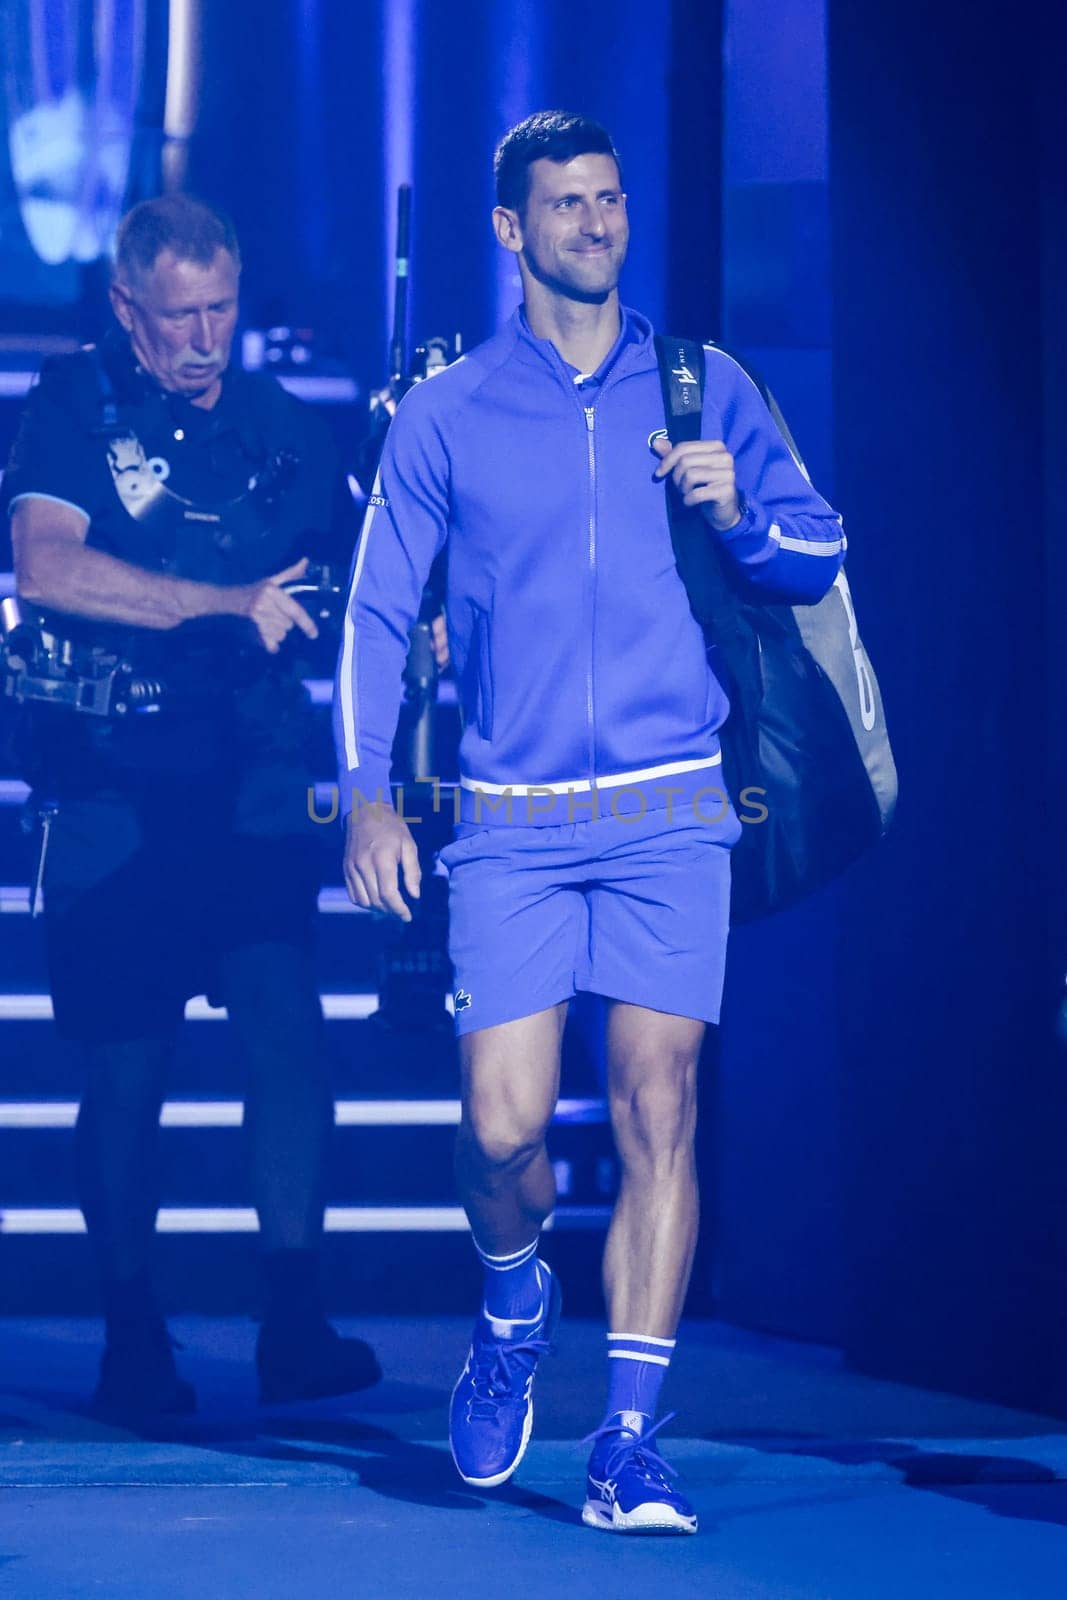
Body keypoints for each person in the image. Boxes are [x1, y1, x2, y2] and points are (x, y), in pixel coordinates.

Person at [335, 111, 845, 1533]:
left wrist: (742, 512)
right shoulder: (446, 411)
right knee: (499, 1132)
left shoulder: (699, 385)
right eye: (563, 205)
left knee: (656, 1105)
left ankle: (625, 1439)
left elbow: (817, 551)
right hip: (507, 819)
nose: (594, 223)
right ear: (510, 230)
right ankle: (511, 1309)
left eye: (609, 199)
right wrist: (369, 792)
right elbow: (379, 610)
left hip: (675, 808)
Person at [3, 194, 381, 1418]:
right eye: (179, 316)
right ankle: (131, 1335)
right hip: (111, 785)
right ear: (128, 308)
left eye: (221, 308)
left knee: (287, 1027)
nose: (204, 337)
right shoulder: (72, 405)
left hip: (255, 783)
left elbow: (348, 573)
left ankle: (294, 1316)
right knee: (127, 1068)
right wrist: (218, 604)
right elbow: (46, 564)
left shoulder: (282, 424)